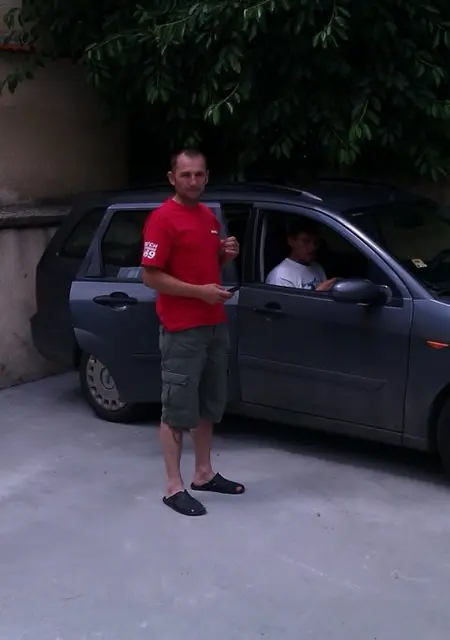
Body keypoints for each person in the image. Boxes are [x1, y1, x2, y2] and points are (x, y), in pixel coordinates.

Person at [141, 149, 245, 516]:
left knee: (208, 404)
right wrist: (199, 293)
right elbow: (150, 275)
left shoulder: (207, 217)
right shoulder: (161, 219)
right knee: (177, 409)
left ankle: (204, 473)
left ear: (206, 176)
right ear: (172, 178)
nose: (193, 181)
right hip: (181, 328)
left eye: (199, 174)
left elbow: (201, 265)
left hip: (213, 323)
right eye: (185, 175)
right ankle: (174, 487)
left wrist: (225, 256)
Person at [266, 218, 337, 291]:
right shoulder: (281, 277)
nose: (313, 247)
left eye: (316, 242)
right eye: (306, 241)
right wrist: (319, 292)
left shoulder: (317, 267)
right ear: (291, 241)